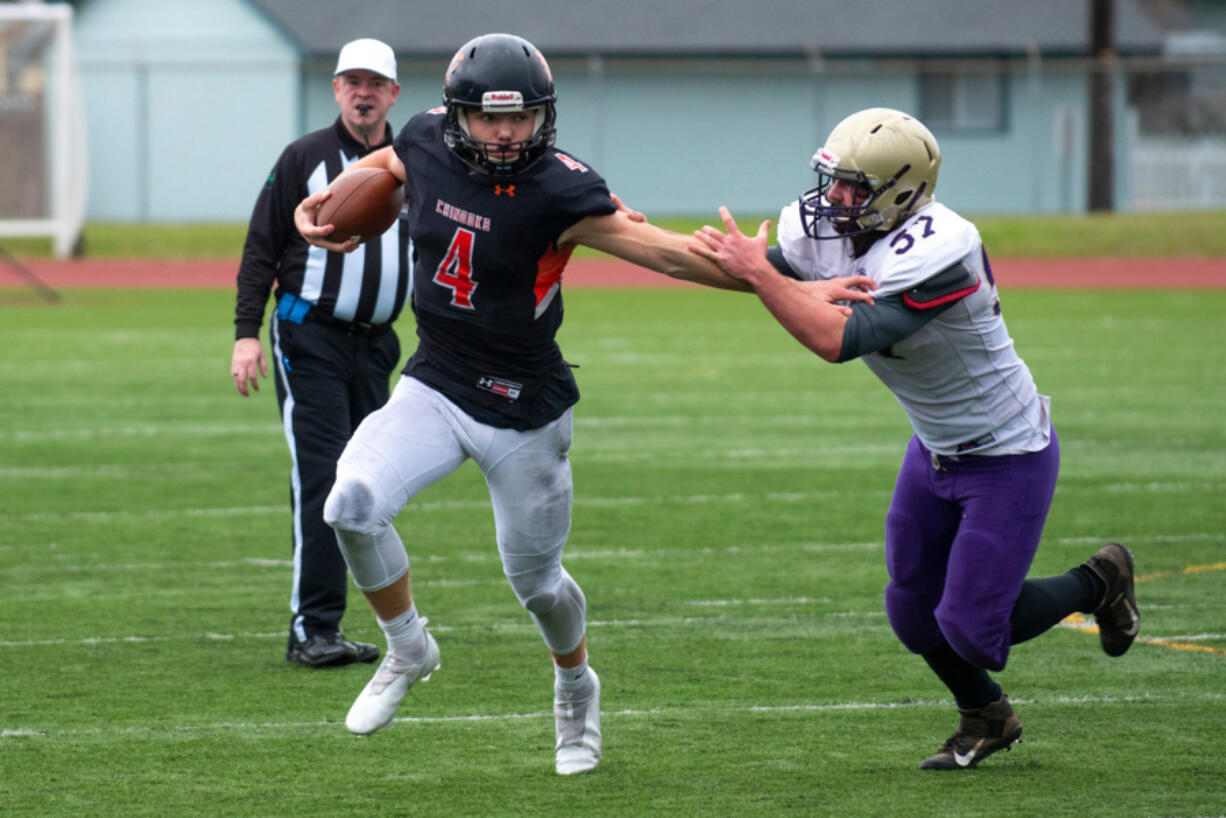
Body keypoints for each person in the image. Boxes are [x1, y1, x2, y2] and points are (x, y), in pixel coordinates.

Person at [293, 33, 874, 775]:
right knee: (349, 504)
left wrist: (778, 282)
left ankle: (575, 687)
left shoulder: (561, 189)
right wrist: (332, 197)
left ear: (546, 115)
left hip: (523, 408)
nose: (507, 133)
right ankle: (409, 648)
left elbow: (663, 251)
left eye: (523, 118)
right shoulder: (426, 137)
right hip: (434, 381)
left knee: (536, 585)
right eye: (490, 119)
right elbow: (392, 163)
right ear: (459, 115)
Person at [690, 107, 1140, 770]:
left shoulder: (940, 252)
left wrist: (759, 274)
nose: (834, 199)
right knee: (911, 608)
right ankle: (986, 715)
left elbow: (835, 338)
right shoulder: (844, 231)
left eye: (852, 187)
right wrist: (616, 233)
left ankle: (1100, 580)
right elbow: (749, 265)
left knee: (974, 629)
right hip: (934, 446)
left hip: (1005, 454)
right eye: (830, 180)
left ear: (900, 192)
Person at [231, 38, 413, 668]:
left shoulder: (418, 163)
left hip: (379, 345)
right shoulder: (305, 157)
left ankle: (348, 623)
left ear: (394, 92)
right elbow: (262, 244)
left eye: (375, 82)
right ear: (336, 89)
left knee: (367, 485)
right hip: (309, 336)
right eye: (351, 81)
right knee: (324, 477)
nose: (362, 92)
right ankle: (313, 628)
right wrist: (246, 333)